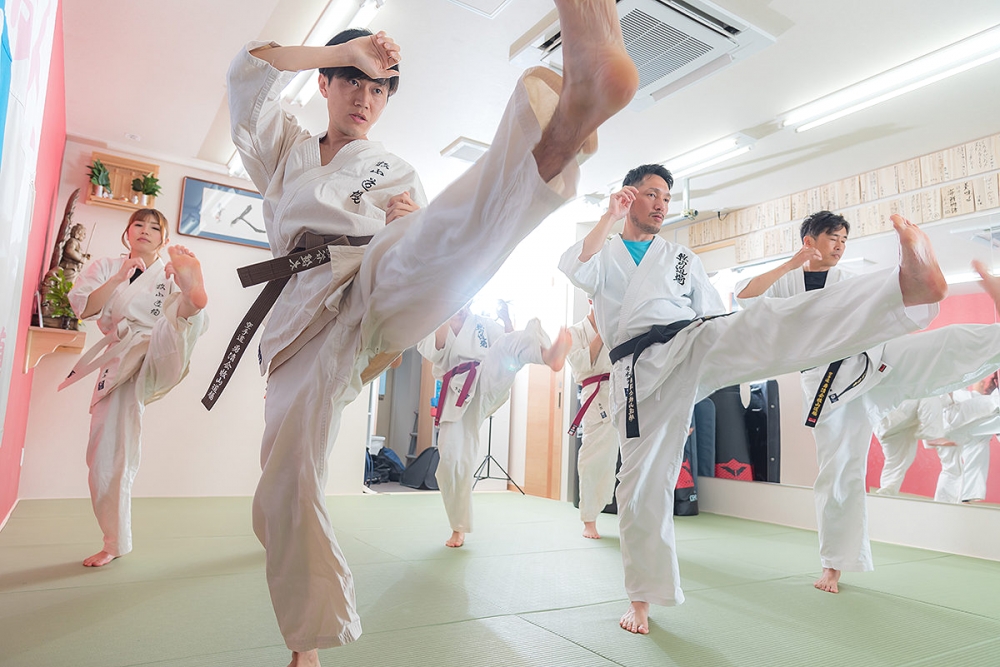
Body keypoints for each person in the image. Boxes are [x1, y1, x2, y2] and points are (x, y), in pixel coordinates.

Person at [224, 3, 639, 664]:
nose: (367, 96)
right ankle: (307, 628)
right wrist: (354, 48)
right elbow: (249, 71)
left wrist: (408, 242)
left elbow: (428, 240)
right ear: (326, 84)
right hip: (303, 312)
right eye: (353, 80)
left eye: (380, 87)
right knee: (286, 482)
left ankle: (561, 128)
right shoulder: (284, 152)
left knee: (438, 238)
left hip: (373, 276)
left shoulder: (391, 169)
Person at [560, 163, 948, 634]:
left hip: (689, 342)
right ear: (629, 197)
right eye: (652, 194)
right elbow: (575, 267)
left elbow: (715, 312)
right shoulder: (606, 253)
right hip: (636, 373)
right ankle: (641, 599)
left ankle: (904, 291)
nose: (662, 203)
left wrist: (697, 390)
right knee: (638, 487)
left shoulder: (681, 258)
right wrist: (606, 217)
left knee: (758, 325)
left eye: (667, 196)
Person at [736, 210, 1000, 595]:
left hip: (873, 358)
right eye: (832, 238)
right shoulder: (787, 281)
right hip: (829, 383)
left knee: (939, 345)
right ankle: (834, 565)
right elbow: (745, 297)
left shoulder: (848, 280)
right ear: (809, 241)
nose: (841, 246)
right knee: (839, 470)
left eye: (844, 239)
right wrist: (794, 262)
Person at [60, 208, 208, 568]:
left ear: (164, 239)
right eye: (139, 224)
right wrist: (120, 278)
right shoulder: (106, 267)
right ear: (128, 232)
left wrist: (184, 288)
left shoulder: (167, 270)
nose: (145, 230)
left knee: (181, 315)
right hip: (120, 358)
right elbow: (83, 309)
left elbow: (195, 329)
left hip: (160, 348)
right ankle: (115, 541)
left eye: (155, 227)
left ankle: (192, 295)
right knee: (104, 454)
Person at [417, 301, 570, 548]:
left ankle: (547, 356)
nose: (464, 305)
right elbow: (435, 351)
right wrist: (442, 312)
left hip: (487, 377)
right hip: (456, 393)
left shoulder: (482, 323)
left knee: (507, 346)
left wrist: (506, 319)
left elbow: (508, 340)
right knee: (451, 463)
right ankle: (458, 526)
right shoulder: (434, 322)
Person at [566, 302, 616, 538]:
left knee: (617, 460)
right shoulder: (574, 331)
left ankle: (623, 512)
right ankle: (589, 519)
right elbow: (581, 363)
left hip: (621, 391)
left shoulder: (618, 325)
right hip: (594, 394)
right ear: (591, 300)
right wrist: (604, 332)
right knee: (592, 457)